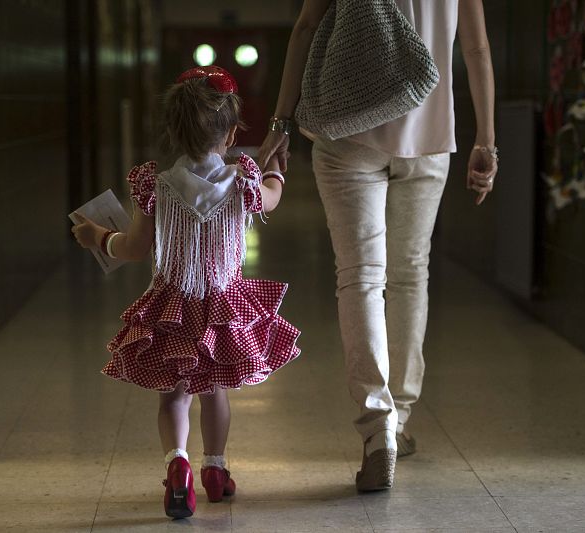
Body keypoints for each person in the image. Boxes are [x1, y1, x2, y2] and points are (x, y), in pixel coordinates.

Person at [258, 0, 498, 491]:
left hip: (348, 129)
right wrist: (486, 140)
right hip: (429, 133)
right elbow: (475, 48)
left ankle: (377, 428)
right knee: (410, 275)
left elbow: (306, 28)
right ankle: (401, 417)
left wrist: (280, 125)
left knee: (360, 277)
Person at [71, 65, 300, 519]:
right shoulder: (243, 181)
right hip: (222, 307)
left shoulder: (155, 186)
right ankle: (215, 468)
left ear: (173, 133)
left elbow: (134, 248)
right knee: (214, 390)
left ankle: (178, 466)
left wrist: (98, 237)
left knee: (173, 394)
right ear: (231, 134)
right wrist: (275, 168)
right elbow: (272, 197)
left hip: (173, 306)